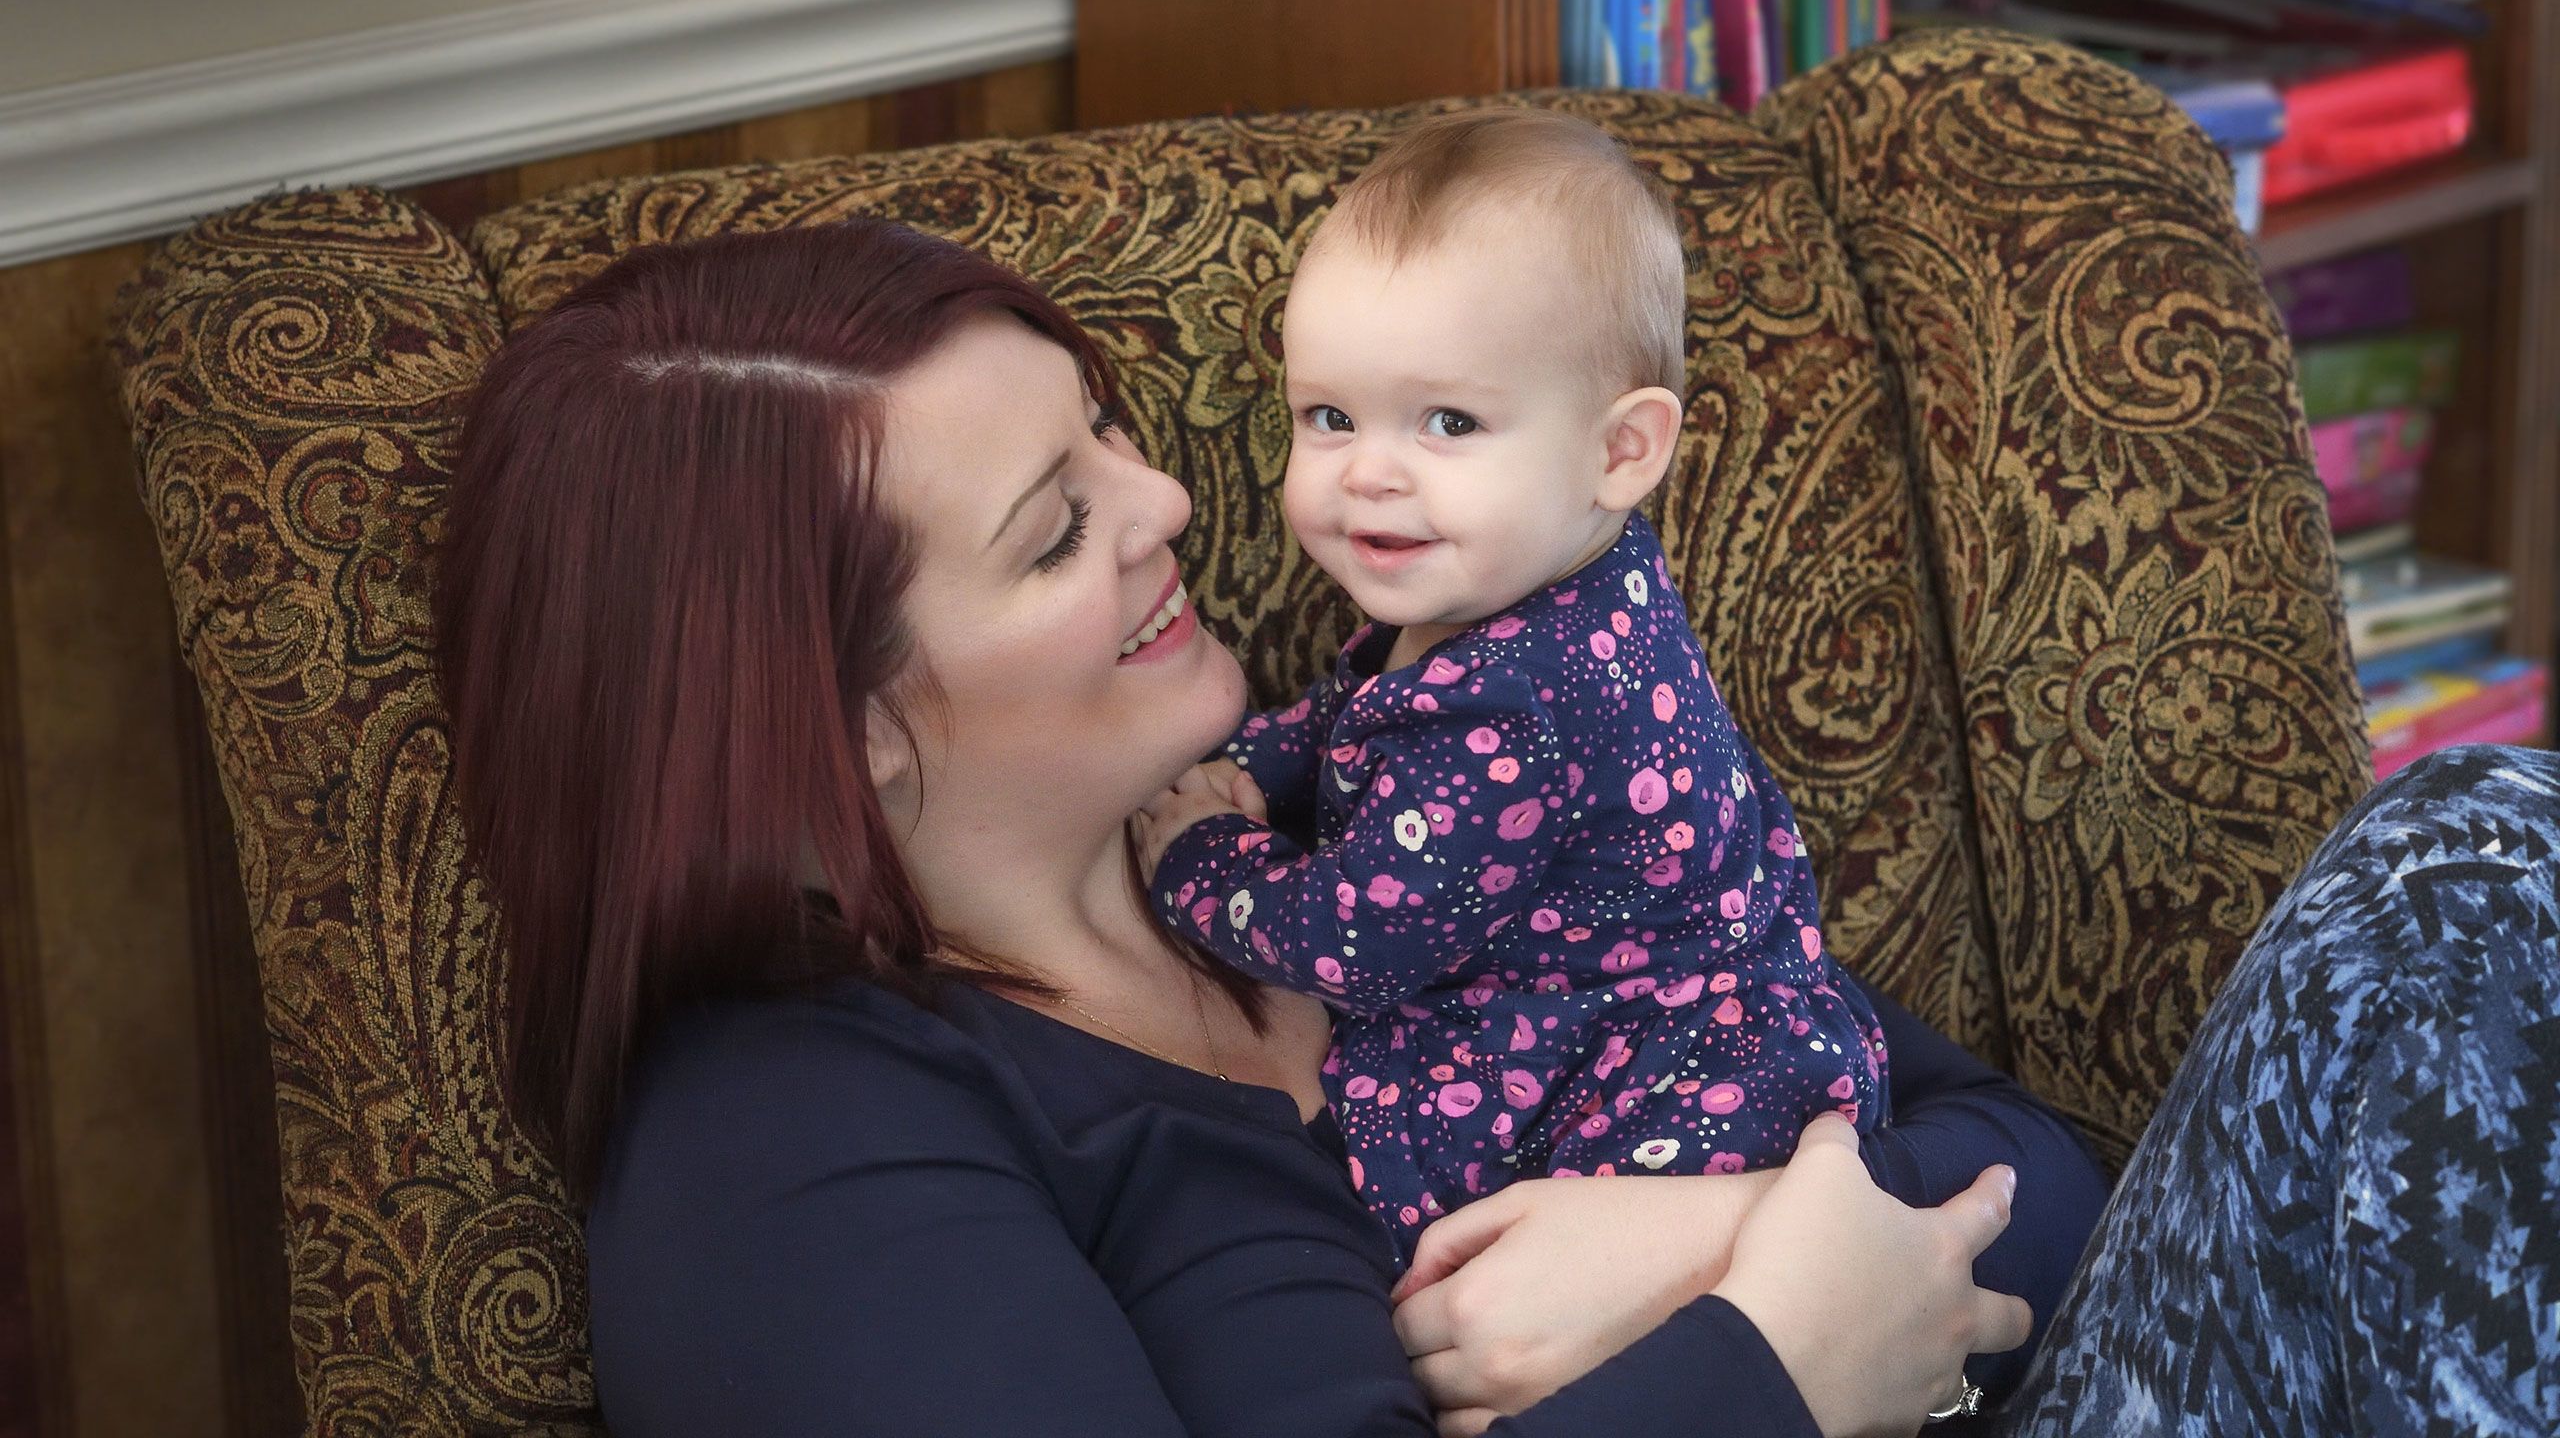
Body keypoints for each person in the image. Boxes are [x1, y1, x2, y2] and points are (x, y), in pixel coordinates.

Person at [431, 214, 2559, 1437]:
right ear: (845, 728)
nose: (1173, 502)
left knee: (2473, 868)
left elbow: (2032, 1173)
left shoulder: (1393, 781)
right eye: (1055, 525)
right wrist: (1767, 1364)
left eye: (1111, 432)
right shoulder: (788, 1140)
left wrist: (1711, 1231)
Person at [1134, 110, 1888, 1259]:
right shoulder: (1534, 574)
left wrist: (1200, 859)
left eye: (1449, 422)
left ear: (1620, 452)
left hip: (1651, 1084)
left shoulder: (1523, 699)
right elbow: (1355, 715)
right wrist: (1251, 761)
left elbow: (1357, 941)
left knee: (1486, 1278)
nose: (1370, 473)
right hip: (1676, 992)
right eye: (1328, 417)